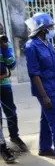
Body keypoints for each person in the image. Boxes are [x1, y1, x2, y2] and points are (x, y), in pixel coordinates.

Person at [24, 13, 55, 159]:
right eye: (50, 27)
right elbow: (34, 73)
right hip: (44, 89)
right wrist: (44, 96)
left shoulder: (47, 44)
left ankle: (44, 148)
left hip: (53, 86)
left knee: (46, 119)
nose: (52, 29)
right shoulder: (31, 46)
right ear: (43, 28)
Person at [0, 24, 28, 153]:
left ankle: (15, 137)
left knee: (11, 111)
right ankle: (2, 145)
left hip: (5, 85)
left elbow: (11, 65)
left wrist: (4, 49)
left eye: (1, 31)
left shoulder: (5, 44)